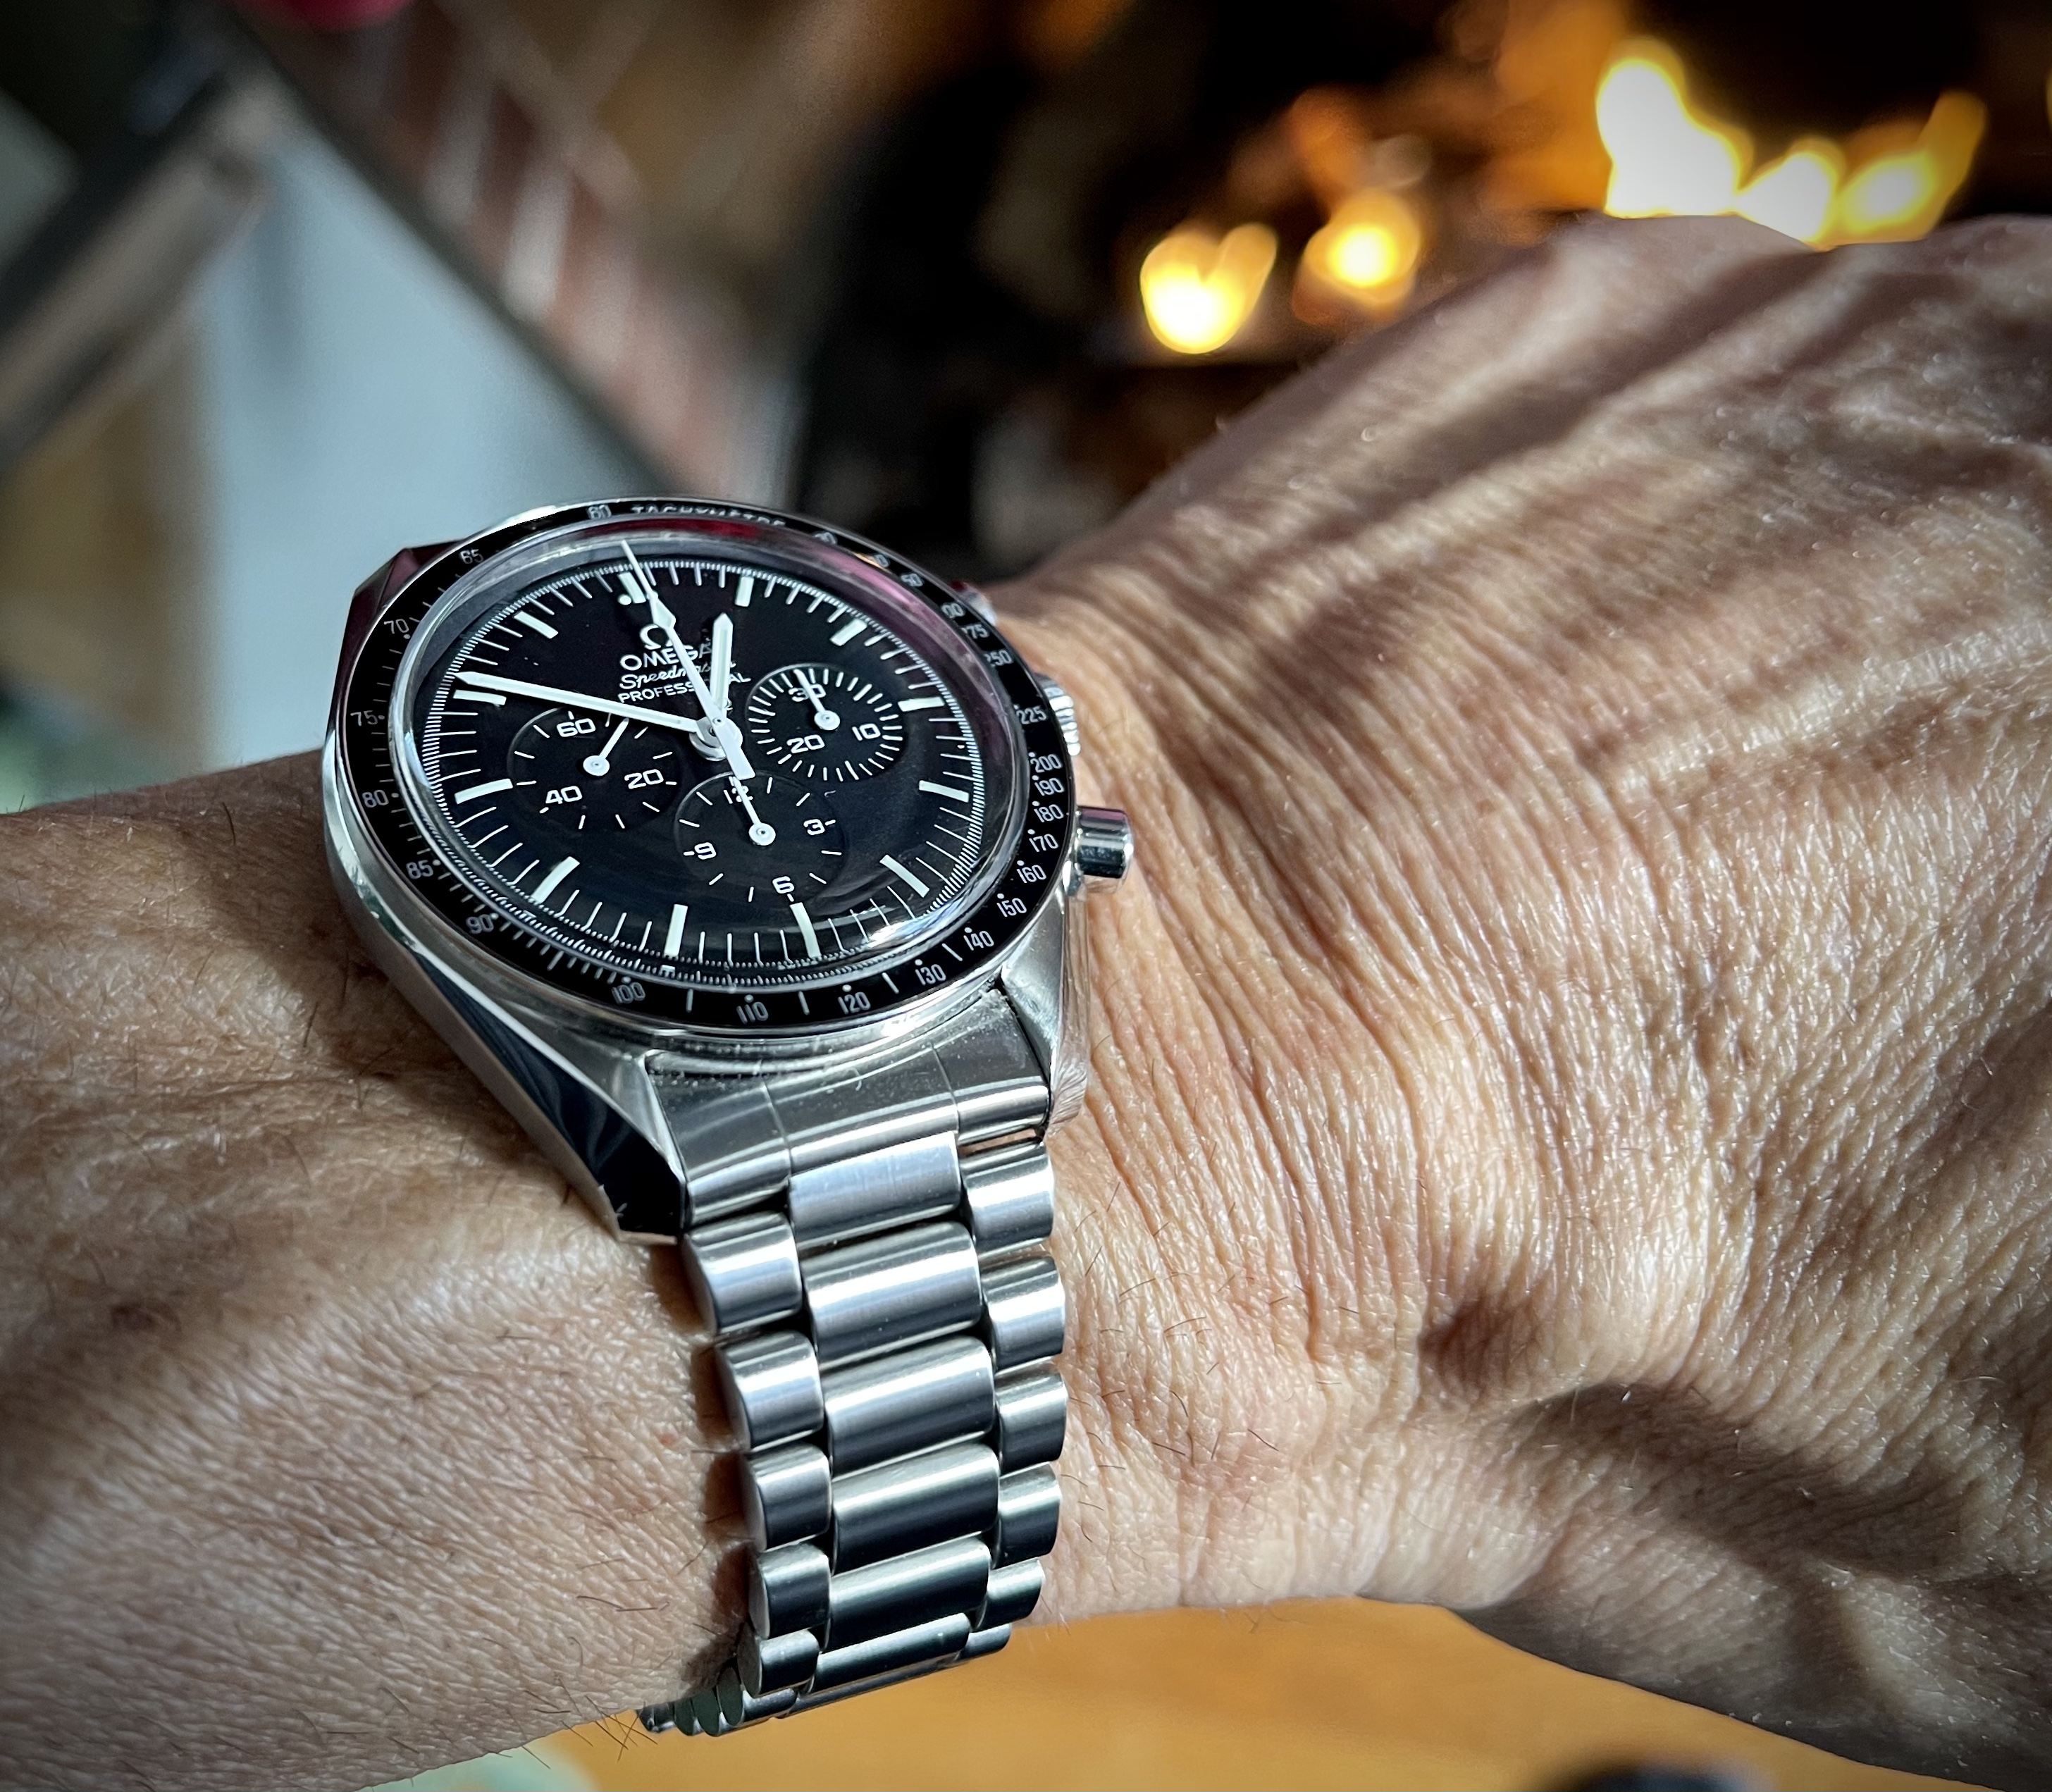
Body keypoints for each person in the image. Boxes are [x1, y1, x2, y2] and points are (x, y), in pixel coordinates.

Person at [4, 214, 2051, 1791]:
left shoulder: (994, 815)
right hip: (663, 1044)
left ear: (1055, 808)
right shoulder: (452, 828)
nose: (721, 740)